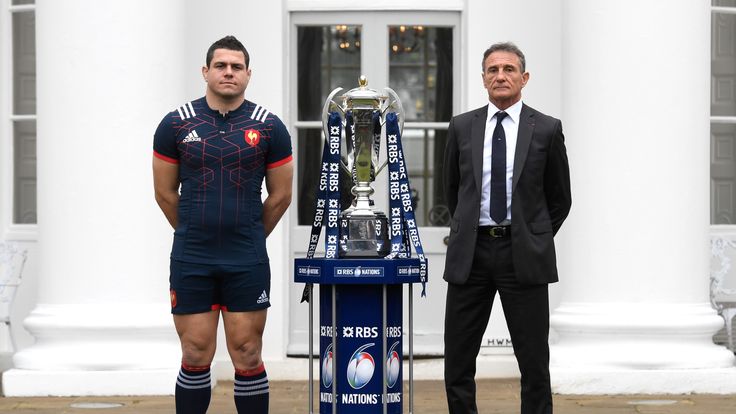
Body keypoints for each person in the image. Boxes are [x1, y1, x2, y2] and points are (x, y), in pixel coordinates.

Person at [152, 35, 293, 414]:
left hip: (246, 257)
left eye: (236, 67)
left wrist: (247, 234)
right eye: (220, 66)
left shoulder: (270, 127)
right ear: (206, 71)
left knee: (247, 352)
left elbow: (280, 197)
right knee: (196, 351)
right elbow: (164, 193)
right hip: (192, 256)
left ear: (248, 74)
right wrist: (194, 231)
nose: (228, 72)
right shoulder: (175, 123)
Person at [442, 42, 571, 414]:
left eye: (509, 69)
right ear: (483, 78)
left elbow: (560, 198)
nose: (501, 75)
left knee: (534, 362)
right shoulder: (462, 126)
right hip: (472, 256)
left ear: (524, 78)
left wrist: (533, 235)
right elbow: (453, 191)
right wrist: (470, 230)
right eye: (493, 69)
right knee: (458, 361)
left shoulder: (546, 129)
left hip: (524, 256)